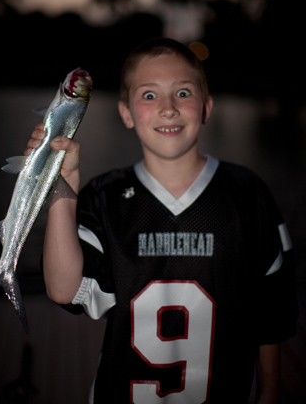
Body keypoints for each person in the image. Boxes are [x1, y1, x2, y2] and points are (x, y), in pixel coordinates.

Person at [25, 38, 298, 404]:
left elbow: (271, 313)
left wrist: (269, 392)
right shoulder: (104, 197)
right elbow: (64, 289)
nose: (168, 108)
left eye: (183, 92)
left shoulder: (246, 194)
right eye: (149, 96)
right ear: (125, 112)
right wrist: (62, 188)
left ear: (206, 107)